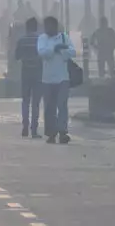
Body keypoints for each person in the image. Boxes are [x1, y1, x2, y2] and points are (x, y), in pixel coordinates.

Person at [37, 16, 76, 144]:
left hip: (63, 78)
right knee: (49, 108)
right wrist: (54, 49)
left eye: (49, 25)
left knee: (62, 106)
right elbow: (42, 53)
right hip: (47, 79)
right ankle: (51, 133)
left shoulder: (64, 37)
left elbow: (72, 52)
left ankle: (63, 132)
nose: (47, 28)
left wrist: (62, 51)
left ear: (55, 26)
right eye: (45, 26)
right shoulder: (42, 39)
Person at [15, 17, 43, 138]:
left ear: (26, 27)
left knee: (25, 101)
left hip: (25, 72)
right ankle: (34, 129)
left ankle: (25, 127)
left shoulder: (22, 40)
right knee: (36, 103)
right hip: (38, 74)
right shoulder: (40, 40)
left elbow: (16, 56)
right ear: (36, 27)